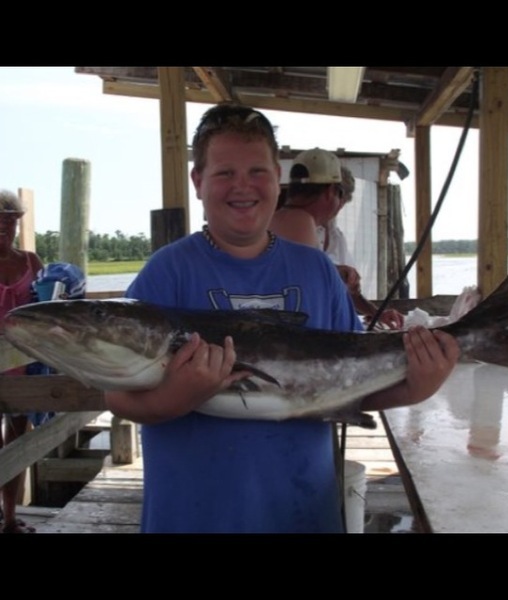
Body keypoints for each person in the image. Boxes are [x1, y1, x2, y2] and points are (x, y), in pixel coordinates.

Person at [104, 102, 460, 533]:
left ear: (278, 178)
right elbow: (119, 398)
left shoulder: (318, 271)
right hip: (194, 514)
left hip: (302, 509)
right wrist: (178, 396)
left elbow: (345, 387)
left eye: (257, 171)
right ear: (198, 181)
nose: (242, 186)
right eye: (224, 173)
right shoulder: (167, 272)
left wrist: (415, 387)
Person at [270, 149, 404, 329]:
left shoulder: (332, 235)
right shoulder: (297, 222)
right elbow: (302, 282)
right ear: (331, 191)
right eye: (341, 197)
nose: (339, 207)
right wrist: (334, 272)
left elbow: (346, 289)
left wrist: (375, 312)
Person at [0, 189, 43, 534]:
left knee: (18, 442)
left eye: (10, 221)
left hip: (23, 368)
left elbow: (49, 308)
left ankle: (10, 517)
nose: (5, 228)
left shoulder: (31, 261)